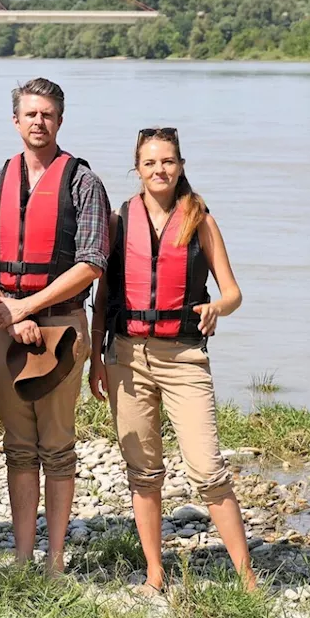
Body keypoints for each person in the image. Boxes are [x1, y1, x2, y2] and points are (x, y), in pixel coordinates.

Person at [88, 126, 257, 593]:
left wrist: (216, 308)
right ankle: (154, 572)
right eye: (150, 163)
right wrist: (96, 357)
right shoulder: (121, 218)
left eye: (167, 162)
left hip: (184, 357)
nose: (159, 170)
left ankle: (247, 577)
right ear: (137, 169)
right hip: (126, 355)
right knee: (143, 471)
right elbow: (103, 299)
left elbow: (233, 291)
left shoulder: (198, 218)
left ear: (180, 166)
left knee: (207, 468)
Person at [0, 78, 109, 575]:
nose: (38, 122)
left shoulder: (82, 182)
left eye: (47, 114)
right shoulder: (0, 179)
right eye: (30, 114)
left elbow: (91, 262)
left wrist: (28, 307)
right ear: (16, 121)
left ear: (60, 120)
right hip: (4, 322)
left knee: (58, 444)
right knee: (18, 446)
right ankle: (24, 554)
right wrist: (4, 304)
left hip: (63, 327)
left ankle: (56, 558)